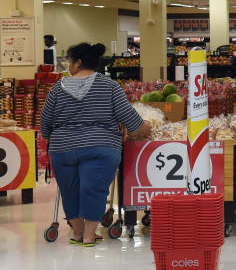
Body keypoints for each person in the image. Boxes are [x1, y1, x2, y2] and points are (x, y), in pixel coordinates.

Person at [39, 43, 152, 246]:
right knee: (95, 189)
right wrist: (148, 127)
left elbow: (45, 121)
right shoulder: (109, 86)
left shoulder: (57, 89)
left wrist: (52, 137)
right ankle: (90, 235)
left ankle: (78, 233)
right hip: (101, 147)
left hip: (62, 148)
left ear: (78, 62)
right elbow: (132, 121)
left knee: (69, 189)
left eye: (70, 61)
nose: (68, 66)